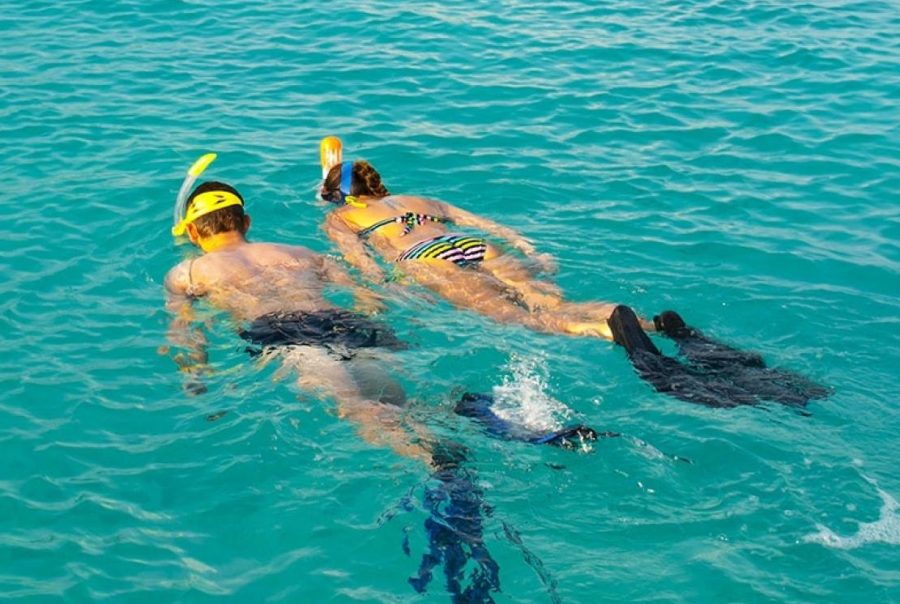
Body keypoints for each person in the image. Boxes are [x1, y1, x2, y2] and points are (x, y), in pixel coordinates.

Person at [163, 180, 432, 463]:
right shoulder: (302, 253)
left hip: (285, 333)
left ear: (192, 232)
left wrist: (195, 376)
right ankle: (442, 446)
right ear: (246, 222)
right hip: (344, 323)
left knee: (357, 410)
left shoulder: (187, 273)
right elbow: (368, 297)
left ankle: (437, 469)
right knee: (396, 404)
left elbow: (186, 332)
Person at [320, 159, 656, 340]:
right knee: (553, 302)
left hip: (423, 256)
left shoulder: (340, 218)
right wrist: (529, 250)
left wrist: (386, 289)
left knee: (512, 316)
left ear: (337, 196)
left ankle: (596, 331)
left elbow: (362, 262)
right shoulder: (417, 199)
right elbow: (488, 225)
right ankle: (650, 324)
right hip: (471, 244)